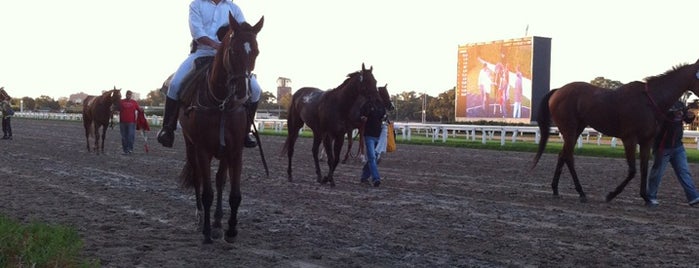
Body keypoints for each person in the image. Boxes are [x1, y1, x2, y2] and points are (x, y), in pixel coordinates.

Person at [157, 0, 262, 148]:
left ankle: (246, 132)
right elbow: (197, 32)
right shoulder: (196, 5)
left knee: (256, 90)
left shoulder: (234, 8)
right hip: (201, 52)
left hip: (230, 56)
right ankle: (168, 128)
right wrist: (216, 46)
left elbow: (242, 31)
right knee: (175, 84)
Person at [647, 101, 699, 207]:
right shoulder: (660, 102)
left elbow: (687, 120)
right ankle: (651, 197)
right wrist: (671, 114)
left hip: (678, 146)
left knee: (684, 172)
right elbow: (657, 120)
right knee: (657, 174)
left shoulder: (680, 104)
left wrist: (690, 116)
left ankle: (693, 197)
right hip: (662, 148)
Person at [359, 100, 386, 187]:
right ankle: (376, 178)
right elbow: (360, 116)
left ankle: (364, 177)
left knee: (373, 158)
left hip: (378, 136)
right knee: (372, 157)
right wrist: (362, 118)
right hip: (369, 136)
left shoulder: (382, 107)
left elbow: (383, 118)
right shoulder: (367, 105)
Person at [119, 90, 143, 155]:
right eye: (127, 94)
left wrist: (142, 110)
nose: (128, 96)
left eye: (129, 95)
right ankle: (125, 150)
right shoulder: (121, 102)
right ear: (125, 95)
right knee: (124, 137)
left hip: (131, 122)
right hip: (122, 122)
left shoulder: (134, 102)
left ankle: (130, 149)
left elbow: (139, 110)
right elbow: (116, 108)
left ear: (131, 95)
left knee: (130, 136)